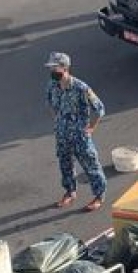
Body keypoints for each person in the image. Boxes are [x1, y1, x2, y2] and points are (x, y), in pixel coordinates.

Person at [45, 51, 107, 211]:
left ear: (65, 68)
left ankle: (99, 196)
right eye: (50, 68)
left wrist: (91, 128)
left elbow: (99, 109)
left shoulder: (81, 88)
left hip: (80, 135)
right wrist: (57, 121)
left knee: (90, 164)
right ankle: (70, 192)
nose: (52, 72)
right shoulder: (52, 85)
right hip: (62, 134)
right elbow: (49, 103)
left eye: (55, 68)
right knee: (65, 163)